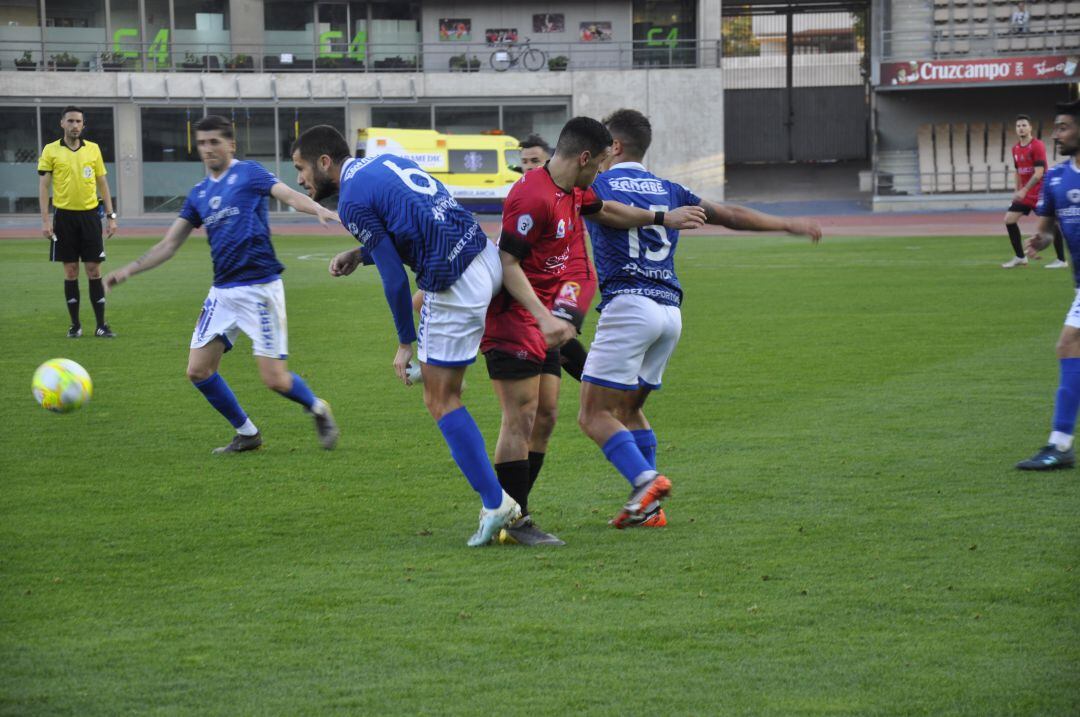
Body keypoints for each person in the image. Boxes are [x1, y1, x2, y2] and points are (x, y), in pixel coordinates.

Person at [580, 109, 822, 527]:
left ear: (615, 147)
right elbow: (730, 215)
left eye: (603, 146)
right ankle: (649, 512)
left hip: (629, 306)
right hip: (669, 312)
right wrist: (786, 223)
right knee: (628, 408)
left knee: (593, 414)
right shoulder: (669, 188)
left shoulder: (597, 184)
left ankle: (647, 480)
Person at [289, 124, 520, 547]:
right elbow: (412, 222)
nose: (300, 181)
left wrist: (403, 342)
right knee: (440, 378)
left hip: (454, 282)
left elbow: (396, 280)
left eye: (302, 169)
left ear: (325, 162)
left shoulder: (352, 201)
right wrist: (361, 254)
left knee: (440, 398)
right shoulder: (385, 162)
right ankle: (429, 369)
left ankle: (496, 503)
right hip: (483, 256)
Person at [482, 116, 706, 545]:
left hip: (548, 318)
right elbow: (507, 264)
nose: (603, 173)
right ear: (585, 158)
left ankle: (520, 516)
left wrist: (662, 216)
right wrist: (545, 317)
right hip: (516, 317)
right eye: (601, 163)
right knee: (520, 417)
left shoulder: (575, 191)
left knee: (546, 417)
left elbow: (610, 212)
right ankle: (510, 522)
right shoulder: (531, 197)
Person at [103, 115, 340, 454]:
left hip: (260, 289)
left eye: (215, 142)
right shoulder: (199, 194)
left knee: (274, 379)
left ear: (231, 144)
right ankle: (247, 433)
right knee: (198, 370)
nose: (208, 149)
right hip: (223, 293)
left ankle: (317, 407)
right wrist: (128, 271)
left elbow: (286, 193)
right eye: (201, 143)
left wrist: (316, 208)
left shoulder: (249, 173)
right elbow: (169, 244)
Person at [1017, 100, 1080, 470]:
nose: (1056, 134)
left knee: (1068, 344)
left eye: (1065, 127)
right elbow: (1046, 229)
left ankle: (1059, 444)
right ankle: (1060, 445)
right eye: (1055, 127)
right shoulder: (1057, 178)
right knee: (1069, 346)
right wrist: (1039, 242)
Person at [38, 106, 118, 338]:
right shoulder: (50, 150)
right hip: (63, 217)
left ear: (83, 125)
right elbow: (43, 187)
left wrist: (111, 216)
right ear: (62, 123)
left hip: (90, 216)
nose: (75, 125)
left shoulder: (93, 150)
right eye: (70, 121)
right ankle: (75, 325)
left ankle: (102, 325)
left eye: (78, 121)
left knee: (94, 270)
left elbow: (103, 184)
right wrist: (45, 220)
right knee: (71, 271)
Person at [1002, 114, 1066, 269]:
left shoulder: (1037, 145)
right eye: (1018, 126)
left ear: (1030, 128)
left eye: (1024, 125)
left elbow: (1038, 173)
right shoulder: (1015, 148)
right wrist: (1017, 191)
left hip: (1041, 193)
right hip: (1025, 194)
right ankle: (1020, 257)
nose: (1021, 128)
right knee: (1009, 219)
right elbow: (1018, 171)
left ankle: (1061, 260)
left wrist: (1023, 190)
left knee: (1051, 225)